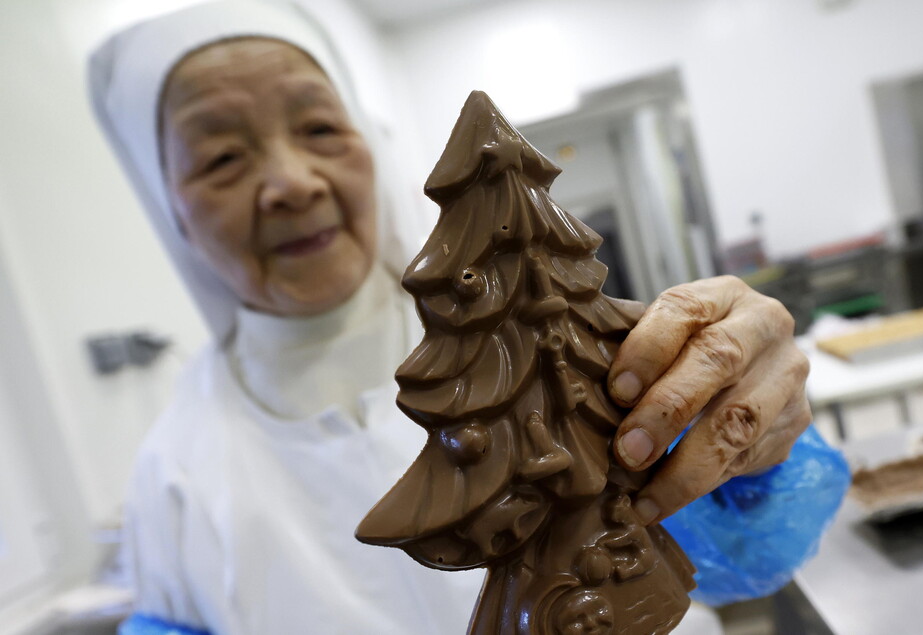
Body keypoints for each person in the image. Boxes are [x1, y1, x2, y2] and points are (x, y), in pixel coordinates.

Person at [88, 2, 812, 633]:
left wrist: (750, 441)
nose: (292, 182)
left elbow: (745, 549)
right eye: (219, 157)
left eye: (317, 127)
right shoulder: (174, 475)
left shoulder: (555, 343)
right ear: (166, 203)